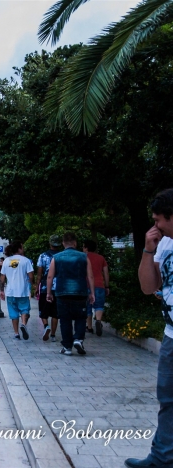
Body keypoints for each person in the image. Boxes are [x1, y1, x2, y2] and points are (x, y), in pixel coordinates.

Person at [130, 188, 173, 468]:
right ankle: (161, 458)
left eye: (158, 220)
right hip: (171, 336)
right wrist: (148, 250)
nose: (154, 226)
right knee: (168, 399)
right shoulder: (165, 244)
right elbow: (148, 287)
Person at [46, 232, 95, 356]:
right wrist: (92, 293)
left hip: (62, 293)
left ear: (63, 243)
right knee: (80, 318)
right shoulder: (84, 257)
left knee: (65, 320)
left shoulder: (56, 257)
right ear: (75, 243)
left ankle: (67, 347)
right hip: (80, 292)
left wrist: (48, 293)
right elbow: (90, 276)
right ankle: (78, 339)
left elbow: (50, 276)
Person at [0, 241, 34, 340]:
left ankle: (16, 333)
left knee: (13, 313)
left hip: (10, 292)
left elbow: (2, 278)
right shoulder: (26, 261)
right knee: (24, 310)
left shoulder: (6, 261)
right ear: (19, 249)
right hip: (22, 291)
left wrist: (1, 290)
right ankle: (23, 324)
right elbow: (31, 276)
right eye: (22, 247)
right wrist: (31, 284)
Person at [35, 235, 61, 342]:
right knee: (56, 313)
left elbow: (39, 274)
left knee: (43, 310)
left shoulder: (43, 256)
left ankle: (46, 326)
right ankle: (53, 335)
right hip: (59, 288)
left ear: (50, 243)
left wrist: (37, 286)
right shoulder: (62, 256)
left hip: (46, 287)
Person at [82, 239, 109, 336]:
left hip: (86, 285)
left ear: (86, 248)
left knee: (87, 306)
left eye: (83, 246)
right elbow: (106, 273)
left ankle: (89, 327)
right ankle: (98, 321)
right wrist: (107, 286)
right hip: (99, 285)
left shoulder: (83, 257)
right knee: (99, 305)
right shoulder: (101, 258)